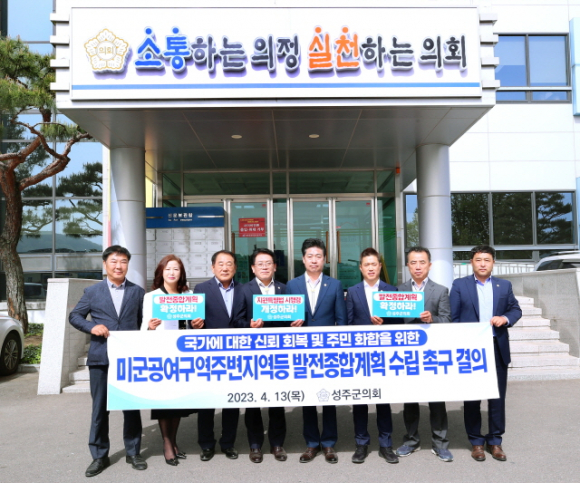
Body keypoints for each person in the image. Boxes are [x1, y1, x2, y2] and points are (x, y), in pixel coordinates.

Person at [69, 245, 147, 477]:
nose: (118, 266)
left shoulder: (137, 292)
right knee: (100, 409)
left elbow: (141, 322)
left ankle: (133, 452)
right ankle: (99, 456)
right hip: (100, 358)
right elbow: (75, 316)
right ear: (105, 264)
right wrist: (92, 327)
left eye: (123, 261)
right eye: (114, 261)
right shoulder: (92, 291)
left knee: (131, 407)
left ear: (128, 265)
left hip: (128, 359)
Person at [450, 245, 522, 462]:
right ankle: (476, 442)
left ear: (493, 263)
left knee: (497, 398)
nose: (482, 264)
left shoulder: (504, 285)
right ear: (471, 262)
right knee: (472, 397)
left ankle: (495, 441)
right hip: (471, 350)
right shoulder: (460, 285)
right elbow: (453, 318)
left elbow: (515, 309)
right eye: (478, 260)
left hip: (496, 347)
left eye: (487, 260)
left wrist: (505, 318)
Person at [286, 238, 346, 464]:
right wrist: (291, 324)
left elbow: (341, 320)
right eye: (310, 256)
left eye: (318, 256)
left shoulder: (335, 284)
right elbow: (285, 318)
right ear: (303, 259)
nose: (314, 260)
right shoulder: (292, 285)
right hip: (302, 349)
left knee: (327, 396)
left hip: (328, 350)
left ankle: (329, 443)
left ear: (324, 259)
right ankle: (311, 443)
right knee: (308, 398)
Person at [141, 254, 203, 466]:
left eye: (176, 269)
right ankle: (167, 444)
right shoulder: (152, 297)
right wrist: (150, 327)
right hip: (161, 356)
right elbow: (143, 327)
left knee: (178, 403)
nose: (172, 272)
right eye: (167, 269)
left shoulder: (189, 295)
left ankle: (174, 441)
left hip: (183, 356)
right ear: (161, 272)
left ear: (181, 273)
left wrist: (197, 324)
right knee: (163, 403)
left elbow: (193, 326)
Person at [395, 246, 453, 462]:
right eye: (413, 262)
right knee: (410, 401)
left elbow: (447, 320)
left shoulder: (441, 290)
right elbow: (394, 322)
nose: (418, 266)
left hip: (432, 354)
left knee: (437, 401)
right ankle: (411, 441)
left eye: (422, 262)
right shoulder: (398, 291)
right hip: (407, 354)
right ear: (407, 265)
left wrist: (433, 319)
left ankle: (440, 443)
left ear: (429, 265)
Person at [232, 248, 288, 463]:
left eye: (268, 263)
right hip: (253, 355)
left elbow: (290, 317)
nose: (265, 267)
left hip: (278, 354)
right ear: (253, 268)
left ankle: (277, 444)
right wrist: (249, 325)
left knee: (277, 401)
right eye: (260, 263)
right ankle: (255, 445)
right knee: (253, 401)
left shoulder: (284, 289)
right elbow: (236, 321)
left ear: (275, 267)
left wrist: (295, 322)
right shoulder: (243, 290)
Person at [345, 247, 401, 465]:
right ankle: (361, 444)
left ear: (379, 266)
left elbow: (398, 323)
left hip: (383, 355)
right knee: (360, 401)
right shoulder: (352, 291)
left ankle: (386, 445)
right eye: (366, 264)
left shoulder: (392, 290)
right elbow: (348, 324)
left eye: (374, 264)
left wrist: (384, 323)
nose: (370, 268)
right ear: (361, 268)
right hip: (360, 355)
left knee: (383, 401)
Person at [192, 250, 245, 461]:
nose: (225, 268)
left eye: (229, 264)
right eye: (221, 264)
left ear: (235, 267)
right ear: (212, 267)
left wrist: (251, 325)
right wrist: (195, 324)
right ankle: (206, 445)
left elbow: (242, 320)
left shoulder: (243, 289)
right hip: (209, 354)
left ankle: (228, 443)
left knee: (231, 401)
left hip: (236, 354)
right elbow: (195, 319)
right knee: (206, 402)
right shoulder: (201, 289)